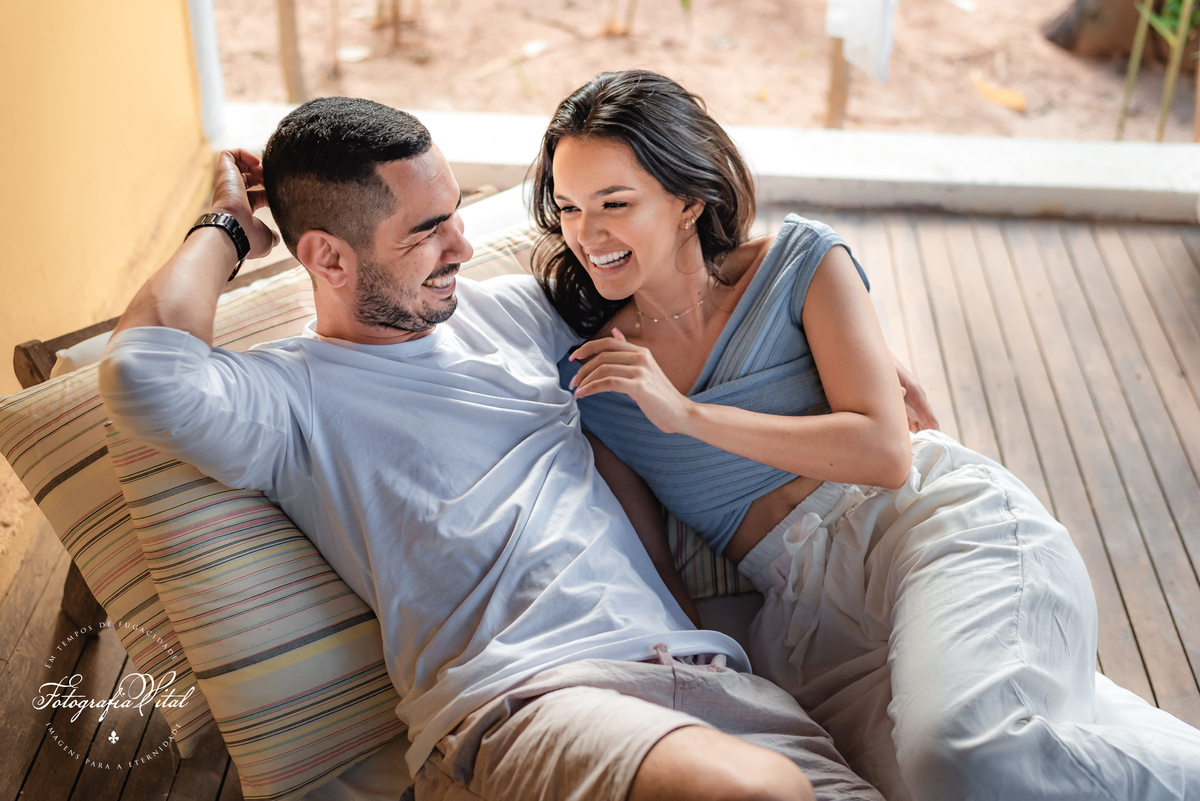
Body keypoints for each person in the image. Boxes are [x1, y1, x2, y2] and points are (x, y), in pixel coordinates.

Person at [99, 96, 885, 801]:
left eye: (457, 212)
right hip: (524, 704)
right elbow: (143, 372)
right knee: (756, 793)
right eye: (426, 231)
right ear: (328, 259)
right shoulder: (285, 402)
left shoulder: (519, 314)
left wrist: (837, 336)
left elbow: (677, 281)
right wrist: (228, 226)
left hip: (706, 677)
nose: (463, 248)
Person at [540, 70, 1200, 801]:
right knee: (967, 776)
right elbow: (662, 580)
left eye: (615, 203)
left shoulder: (799, 263)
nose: (586, 233)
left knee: (965, 758)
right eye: (569, 207)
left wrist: (688, 415)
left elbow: (886, 455)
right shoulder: (601, 387)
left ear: (689, 200)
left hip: (928, 528)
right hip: (812, 634)